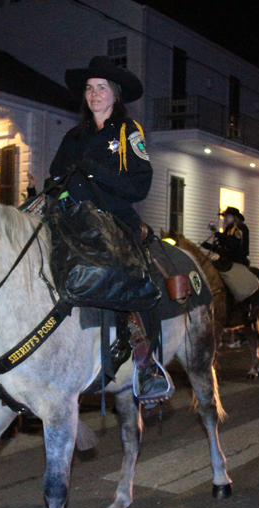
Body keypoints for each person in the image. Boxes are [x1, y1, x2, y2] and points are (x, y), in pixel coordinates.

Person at [49, 55, 169, 404]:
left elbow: (139, 188)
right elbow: (56, 177)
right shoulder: (74, 136)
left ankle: (145, 361)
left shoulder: (128, 132)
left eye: (101, 87)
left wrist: (92, 171)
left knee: (123, 272)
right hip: (73, 217)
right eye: (89, 88)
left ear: (115, 94)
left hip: (116, 220)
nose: (94, 94)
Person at [201, 206, 259, 303]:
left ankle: (245, 305)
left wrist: (219, 235)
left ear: (234, 217)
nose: (225, 218)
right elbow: (223, 249)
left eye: (228, 216)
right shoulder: (227, 230)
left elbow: (234, 244)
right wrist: (208, 246)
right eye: (225, 216)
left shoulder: (240, 228)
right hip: (226, 260)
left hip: (237, 261)